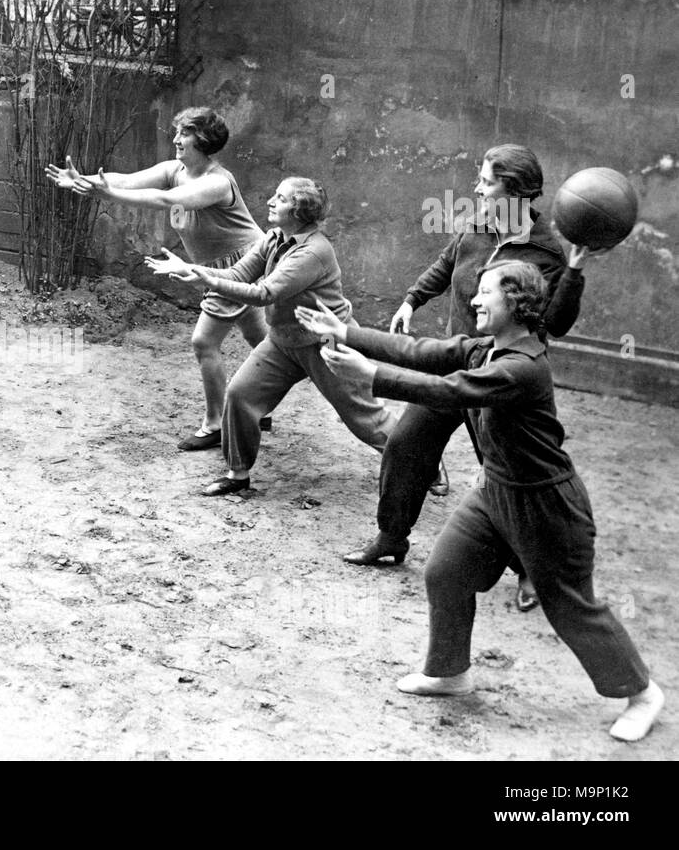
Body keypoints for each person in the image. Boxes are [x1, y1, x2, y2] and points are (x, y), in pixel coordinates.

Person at [296, 261, 664, 742]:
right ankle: (449, 672)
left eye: (486, 292)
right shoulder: (486, 349)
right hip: (494, 492)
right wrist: (345, 330)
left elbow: (449, 391)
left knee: (571, 606)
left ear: (516, 303)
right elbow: (421, 350)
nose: (474, 299)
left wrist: (371, 375)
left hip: (546, 506)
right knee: (445, 573)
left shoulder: (521, 368)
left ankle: (641, 693)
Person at [349, 145, 592, 615]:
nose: (476, 189)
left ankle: (530, 573)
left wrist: (576, 271)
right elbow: (447, 262)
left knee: (510, 479)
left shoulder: (544, 251)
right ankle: (391, 537)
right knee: (406, 446)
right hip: (452, 360)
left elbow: (556, 322)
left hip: (498, 380)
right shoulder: (478, 225)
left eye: (486, 181)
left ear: (516, 191)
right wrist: (411, 300)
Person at [145, 177, 395, 496]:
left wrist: (206, 277)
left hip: (326, 344)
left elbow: (264, 293)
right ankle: (238, 474)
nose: (270, 202)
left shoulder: (314, 251)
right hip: (284, 340)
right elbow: (238, 275)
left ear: (300, 211)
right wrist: (194, 270)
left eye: (281, 198)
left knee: (363, 417)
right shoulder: (275, 237)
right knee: (240, 395)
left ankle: (424, 463)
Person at [45, 107, 270, 450]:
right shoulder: (174, 169)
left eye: (185, 134)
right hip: (224, 262)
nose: (177, 140)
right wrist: (85, 181)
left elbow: (164, 200)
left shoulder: (216, 182)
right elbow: (126, 179)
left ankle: (216, 424)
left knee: (204, 342)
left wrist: (104, 195)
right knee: (259, 336)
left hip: (242, 264)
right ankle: (261, 401)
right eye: (178, 132)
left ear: (204, 141)